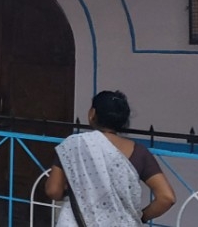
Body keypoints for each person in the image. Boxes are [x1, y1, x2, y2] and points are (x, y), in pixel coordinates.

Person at [45, 90, 176, 226]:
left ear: (92, 114)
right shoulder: (139, 152)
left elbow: (53, 191)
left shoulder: (74, 145)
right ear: (123, 120)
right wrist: (140, 217)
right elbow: (167, 198)